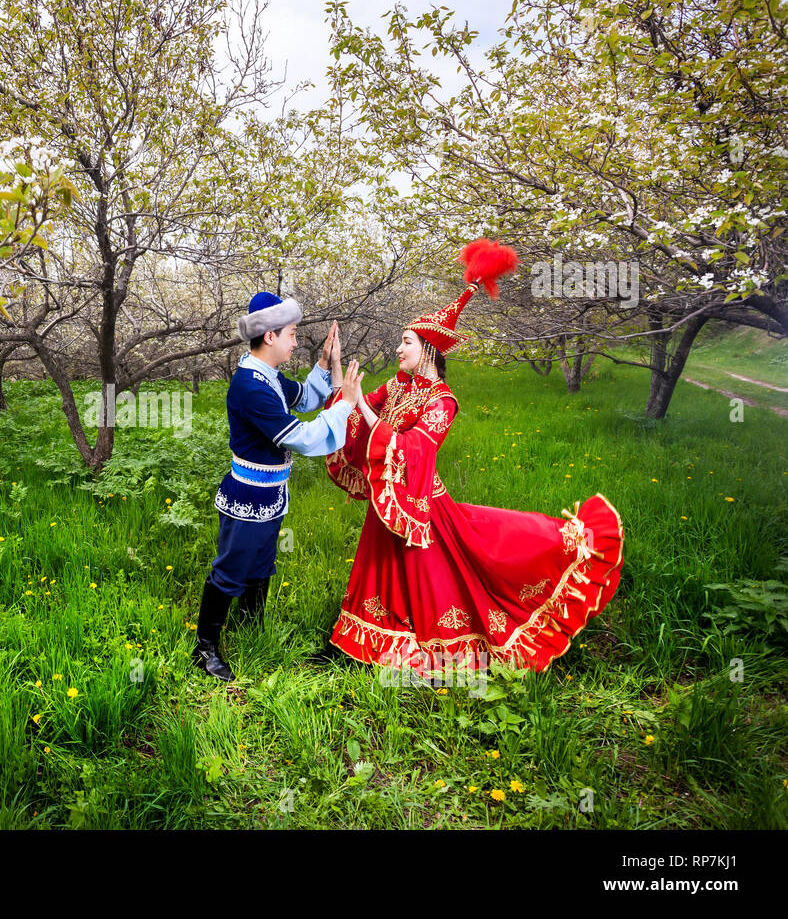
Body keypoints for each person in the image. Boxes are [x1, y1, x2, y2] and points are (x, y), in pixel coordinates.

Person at [322, 239, 624, 676]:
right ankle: (369, 647)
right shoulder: (398, 387)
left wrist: (364, 407)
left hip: (421, 504)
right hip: (389, 498)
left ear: (427, 348)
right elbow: (352, 413)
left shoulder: (443, 401)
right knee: (381, 572)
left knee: (444, 576)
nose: (398, 349)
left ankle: (440, 646)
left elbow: (415, 450)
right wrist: (334, 367)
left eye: (405, 342)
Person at [193, 291, 362, 682]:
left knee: (260, 564)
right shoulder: (250, 386)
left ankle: (251, 627)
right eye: (292, 333)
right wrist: (345, 405)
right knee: (232, 569)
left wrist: (324, 363)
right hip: (248, 495)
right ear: (269, 336)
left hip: (269, 494)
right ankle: (204, 649)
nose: (296, 340)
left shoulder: (266, 377)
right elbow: (300, 436)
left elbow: (302, 398)